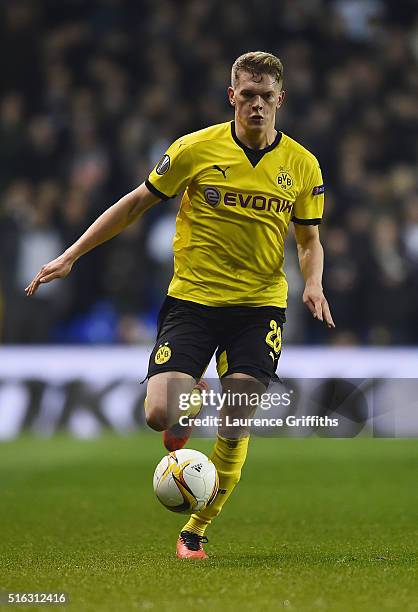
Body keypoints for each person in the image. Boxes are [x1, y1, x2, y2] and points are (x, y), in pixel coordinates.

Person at [26, 51, 335, 559]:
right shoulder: (194, 149)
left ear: (281, 99)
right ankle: (188, 401)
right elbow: (134, 203)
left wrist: (314, 282)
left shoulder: (302, 165)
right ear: (232, 96)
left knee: (236, 417)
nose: (257, 105)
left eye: (266, 96)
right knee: (158, 414)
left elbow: (308, 240)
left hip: (259, 305)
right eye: (248, 95)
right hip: (192, 299)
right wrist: (72, 255)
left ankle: (195, 529)